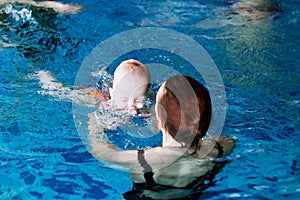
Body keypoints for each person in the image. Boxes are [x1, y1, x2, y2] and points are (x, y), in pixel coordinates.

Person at [88, 75, 235, 199]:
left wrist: (93, 117)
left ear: (158, 122)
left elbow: (101, 151)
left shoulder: (145, 160)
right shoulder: (218, 149)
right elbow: (229, 140)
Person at [35, 59, 151, 115]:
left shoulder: (144, 104)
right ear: (113, 92)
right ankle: (46, 78)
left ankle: (103, 71)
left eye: (139, 99)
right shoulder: (101, 102)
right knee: (62, 92)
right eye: (125, 100)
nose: (132, 106)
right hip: (97, 95)